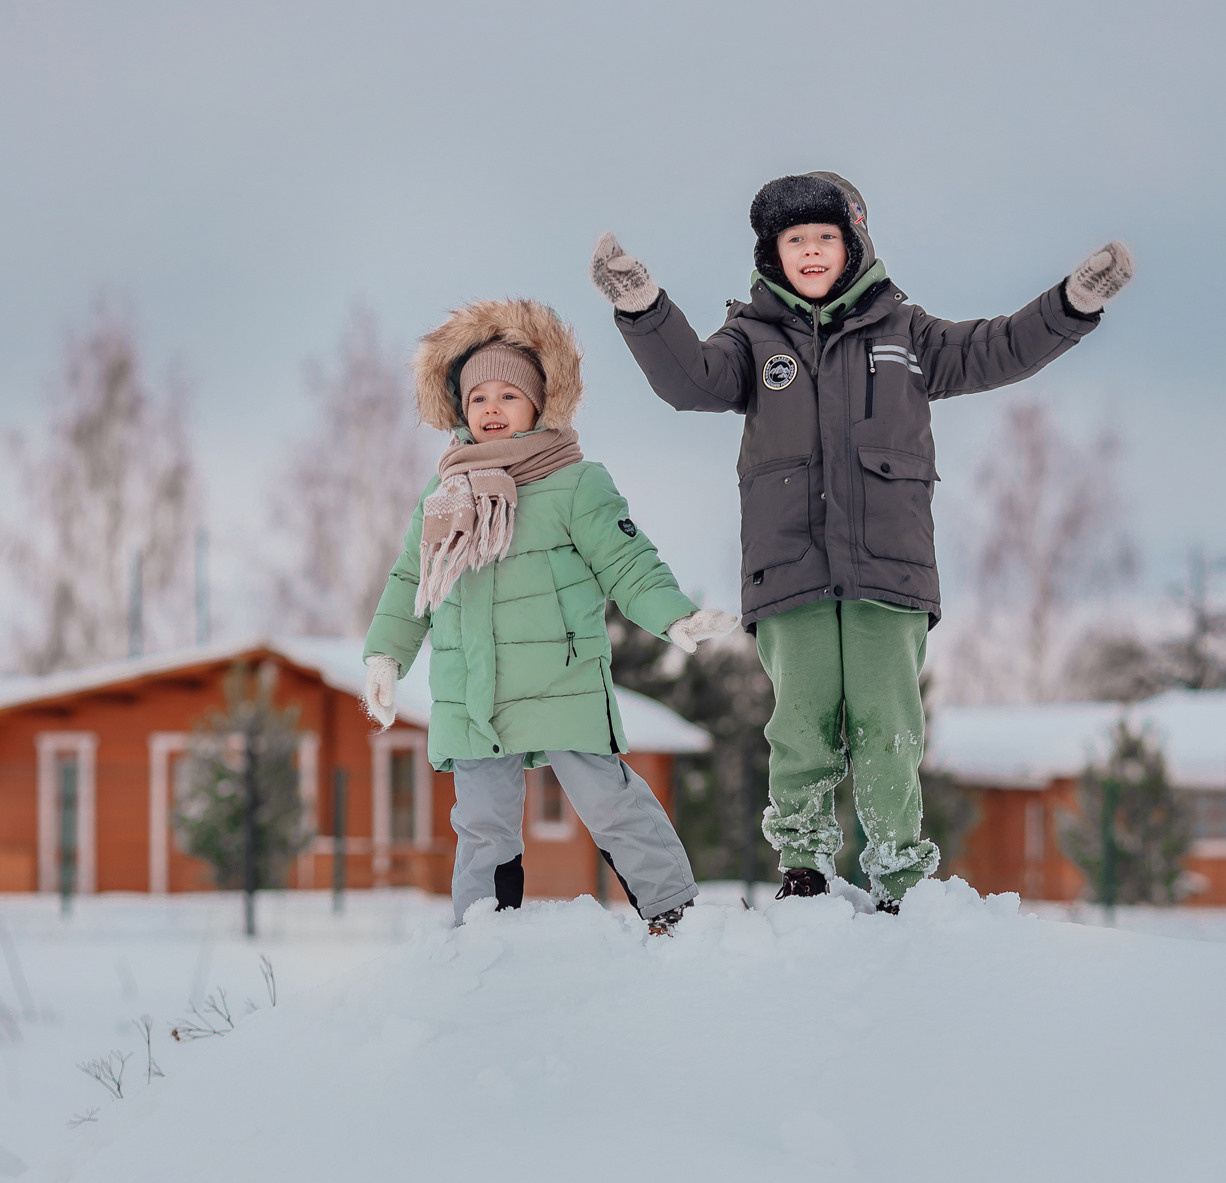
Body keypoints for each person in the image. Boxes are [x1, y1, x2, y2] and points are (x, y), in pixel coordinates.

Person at [590, 171, 1133, 911]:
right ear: (771, 254)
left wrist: (1072, 304)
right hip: (790, 571)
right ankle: (805, 865)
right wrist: (642, 306)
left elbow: (997, 348)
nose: (810, 251)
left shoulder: (907, 333)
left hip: (890, 570)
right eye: (794, 240)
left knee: (889, 726)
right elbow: (692, 379)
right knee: (800, 727)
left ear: (853, 244)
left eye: (824, 237)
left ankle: (897, 872)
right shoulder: (753, 339)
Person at [362, 297, 736, 931]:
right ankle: (483, 932)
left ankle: (674, 913)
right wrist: (385, 654)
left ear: (539, 404)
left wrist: (674, 617)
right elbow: (409, 580)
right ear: (460, 408)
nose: (492, 410)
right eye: (478, 399)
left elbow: (627, 561)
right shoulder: (445, 491)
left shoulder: (574, 483)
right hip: (470, 689)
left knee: (607, 802)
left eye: (508, 396)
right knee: (482, 824)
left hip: (560, 679)